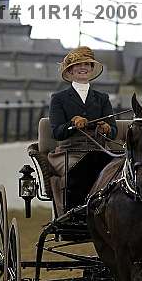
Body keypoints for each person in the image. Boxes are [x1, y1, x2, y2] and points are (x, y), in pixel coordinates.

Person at [48, 46, 117, 214]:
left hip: (98, 150)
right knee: (79, 168)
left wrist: (107, 128)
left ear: (92, 69)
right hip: (69, 152)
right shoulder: (59, 99)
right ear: (70, 70)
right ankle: (74, 213)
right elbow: (57, 132)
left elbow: (114, 131)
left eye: (87, 64)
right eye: (78, 65)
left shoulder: (102, 98)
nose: (83, 67)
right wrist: (73, 123)